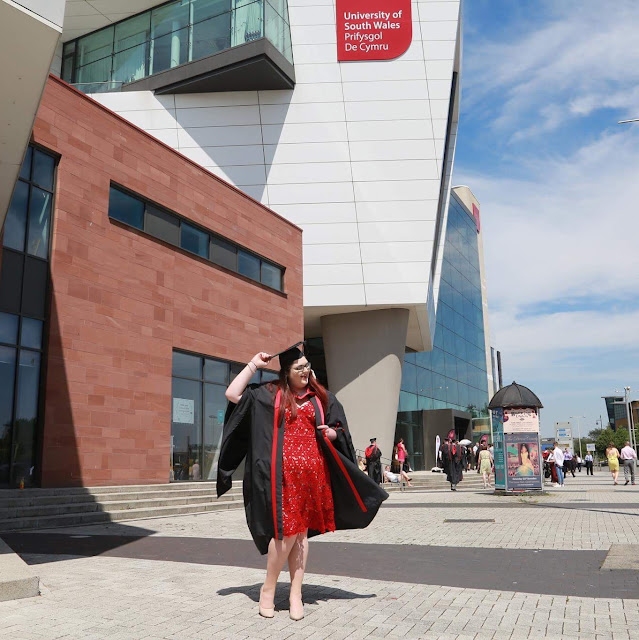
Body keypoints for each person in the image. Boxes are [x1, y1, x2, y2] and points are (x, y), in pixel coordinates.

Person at [218, 343, 388, 621]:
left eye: (308, 366)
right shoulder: (269, 395)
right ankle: (268, 589)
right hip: (282, 479)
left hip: (312, 477)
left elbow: (340, 429)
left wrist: (332, 435)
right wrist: (253, 364)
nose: (306, 371)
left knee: (301, 537)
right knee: (285, 535)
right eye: (300, 368)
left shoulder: (319, 397)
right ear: (286, 372)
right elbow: (232, 394)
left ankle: (296, 593)